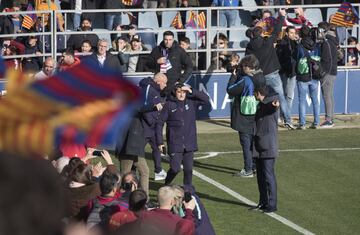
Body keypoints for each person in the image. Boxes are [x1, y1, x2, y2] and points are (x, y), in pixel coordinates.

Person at [246, 9, 296, 130]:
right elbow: (278, 29)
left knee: (261, 99)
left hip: (259, 75)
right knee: (281, 97)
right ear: (262, 33)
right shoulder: (267, 41)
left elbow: (247, 61)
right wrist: (281, 16)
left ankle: (263, 120)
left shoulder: (250, 46)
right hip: (272, 74)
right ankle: (287, 120)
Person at [156, 84, 209, 186]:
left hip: (189, 143)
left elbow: (206, 99)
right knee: (175, 169)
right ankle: (166, 184)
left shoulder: (191, 102)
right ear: (175, 93)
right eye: (179, 92)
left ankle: (188, 190)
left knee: (188, 170)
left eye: (183, 92)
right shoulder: (169, 105)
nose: (181, 94)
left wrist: (191, 90)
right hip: (175, 144)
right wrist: (160, 142)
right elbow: (159, 124)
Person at [227, 55, 265, 178]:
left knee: (246, 143)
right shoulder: (261, 77)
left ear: (248, 67)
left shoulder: (246, 80)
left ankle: (248, 169)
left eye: (243, 66)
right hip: (257, 113)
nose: (242, 68)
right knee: (254, 143)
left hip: (244, 114)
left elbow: (230, 90)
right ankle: (254, 166)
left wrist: (233, 76)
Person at [252, 85, 280, 213]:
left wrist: (274, 105)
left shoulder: (270, 104)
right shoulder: (262, 104)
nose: (253, 95)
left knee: (269, 176)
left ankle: (272, 204)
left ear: (259, 93)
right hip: (259, 145)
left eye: (255, 93)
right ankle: (263, 202)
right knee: (261, 177)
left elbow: (272, 108)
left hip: (268, 145)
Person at [139, 73, 168, 181]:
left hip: (152, 125)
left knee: (157, 147)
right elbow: (143, 107)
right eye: (164, 83)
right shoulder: (148, 89)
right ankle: (133, 171)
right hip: (144, 126)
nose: (165, 85)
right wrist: (151, 121)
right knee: (138, 149)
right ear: (159, 81)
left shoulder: (154, 90)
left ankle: (158, 170)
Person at [295, 25, 321, 130]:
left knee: (302, 100)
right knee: (315, 100)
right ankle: (316, 122)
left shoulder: (299, 46)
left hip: (303, 76)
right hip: (315, 75)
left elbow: (296, 57)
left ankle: (302, 124)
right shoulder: (317, 45)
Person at [318, 22, 339, 128]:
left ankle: (329, 119)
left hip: (328, 72)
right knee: (329, 95)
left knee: (327, 96)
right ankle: (331, 117)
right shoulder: (332, 40)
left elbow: (327, 59)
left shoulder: (326, 42)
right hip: (332, 71)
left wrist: (322, 71)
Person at [276, 25, 298, 116]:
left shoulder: (296, 44)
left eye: (294, 33)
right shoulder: (281, 43)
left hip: (292, 73)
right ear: (287, 33)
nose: (293, 35)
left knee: (289, 96)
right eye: (291, 33)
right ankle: (279, 115)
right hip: (283, 72)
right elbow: (279, 58)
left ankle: (287, 115)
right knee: (281, 95)